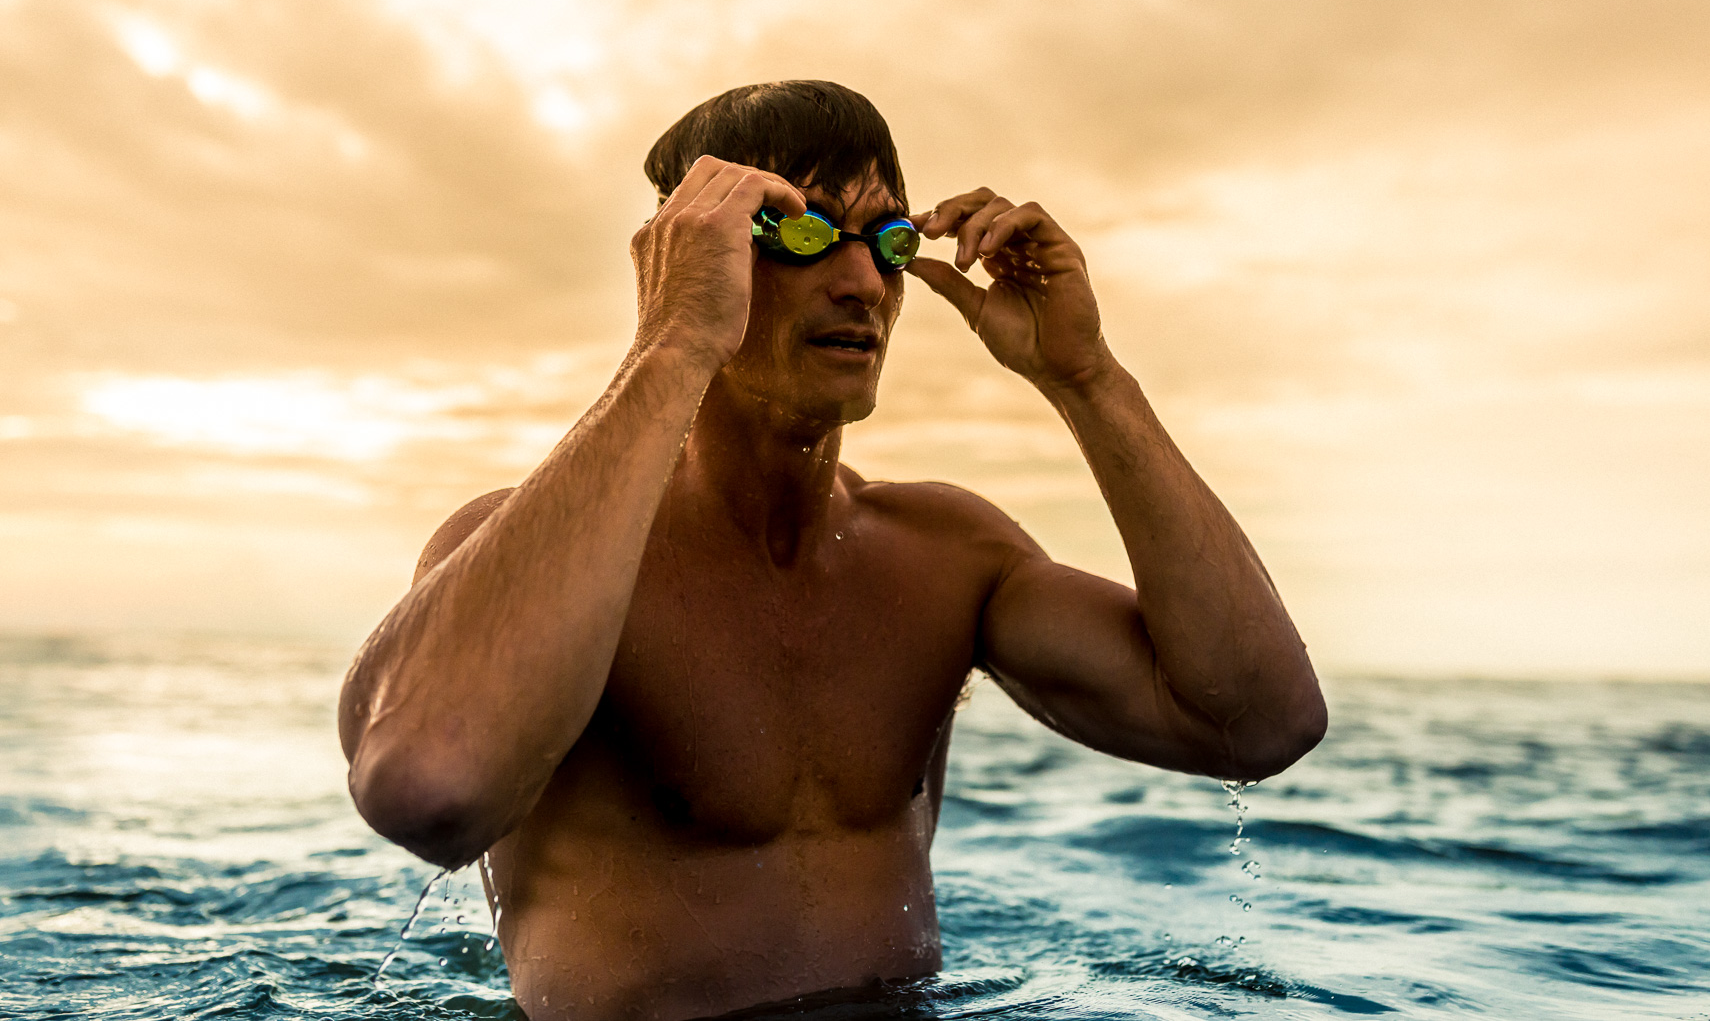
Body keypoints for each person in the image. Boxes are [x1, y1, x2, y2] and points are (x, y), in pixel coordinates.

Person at [338, 81, 1327, 1021]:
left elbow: (1258, 722)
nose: (861, 279)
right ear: (685, 252)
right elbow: (432, 790)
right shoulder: (527, 559)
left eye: (888, 239)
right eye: (803, 230)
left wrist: (1086, 377)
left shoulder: (944, 554)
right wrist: (674, 343)